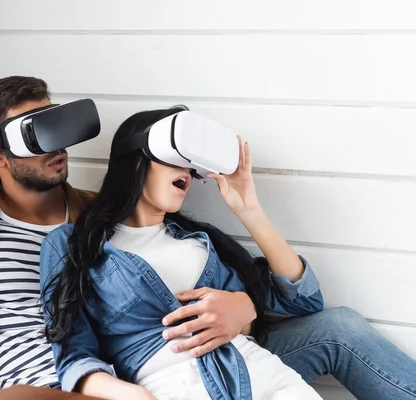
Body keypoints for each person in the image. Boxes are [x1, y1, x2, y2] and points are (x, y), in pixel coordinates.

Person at [0, 77, 416, 400]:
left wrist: (245, 305)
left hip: (206, 364)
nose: (56, 145)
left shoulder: (104, 224)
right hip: (75, 382)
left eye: (57, 125)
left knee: (338, 326)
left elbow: (292, 298)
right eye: (33, 134)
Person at [40, 108, 416, 400]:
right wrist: (135, 394)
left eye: (190, 164)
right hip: (172, 383)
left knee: (341, 325)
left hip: (258, 369)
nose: (186, 171)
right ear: (136, 160)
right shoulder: (73, 244)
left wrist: (248, 215)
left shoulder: (200, 241)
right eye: (175, 159)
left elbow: (303, 300)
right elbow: (74, 357)